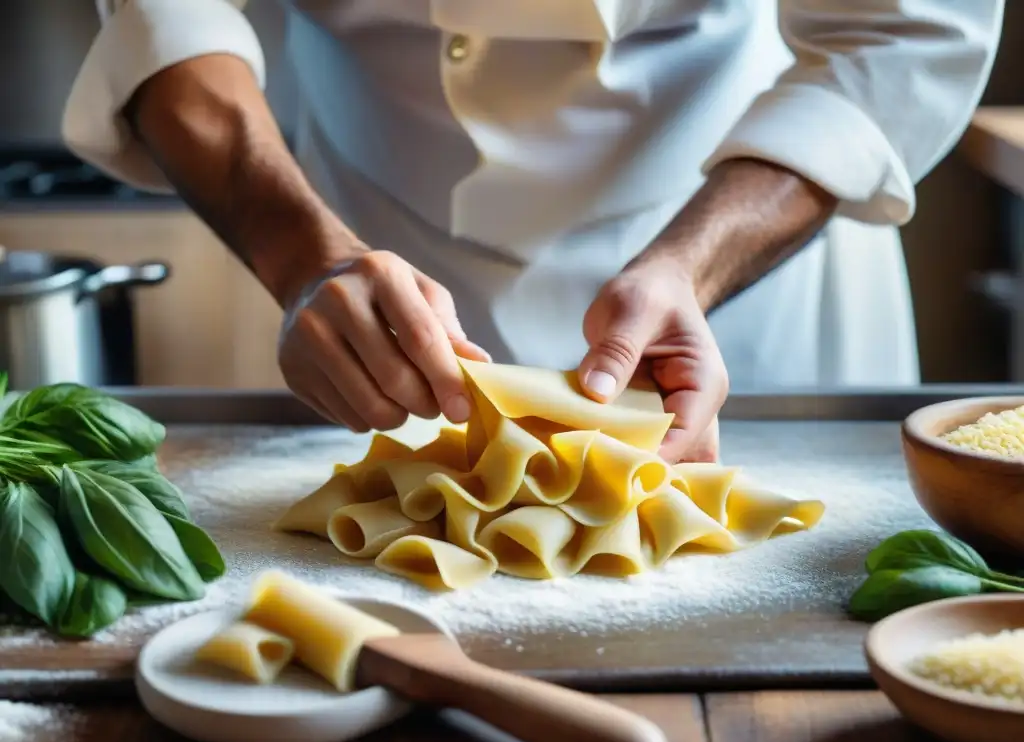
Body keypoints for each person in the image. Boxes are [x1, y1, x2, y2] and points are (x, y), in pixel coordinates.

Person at [64, 1, 1004, 463]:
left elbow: (900, 31)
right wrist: (305, 256)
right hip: (350, 225)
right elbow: (167, 19)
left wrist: (691, 265)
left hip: (737, 227)